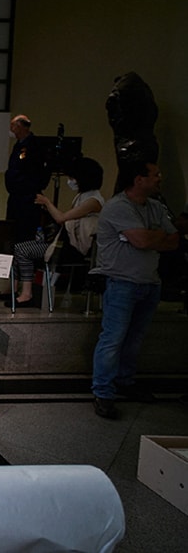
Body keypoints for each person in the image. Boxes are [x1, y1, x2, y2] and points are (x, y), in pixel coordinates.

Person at [90, 160, 178, 419]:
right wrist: (153, 236)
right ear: (138, 179)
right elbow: (142, 241)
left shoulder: (155, 207)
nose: (160, 177)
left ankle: (125, 381)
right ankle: (103, 391)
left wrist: (152, 237)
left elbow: (173, 241)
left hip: (149, 282)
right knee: (113, 338)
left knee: (135, 338)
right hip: (121, 282)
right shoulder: (118, 207)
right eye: (155, 174)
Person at [8, 157, 105, 307]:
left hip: (77, 249)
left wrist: (47, 202)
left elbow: (61, 218)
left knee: (23, 250)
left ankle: (26, 294)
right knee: (17, 248)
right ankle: (14, 290)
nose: (71, 181)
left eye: (73, 177)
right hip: (65, 244)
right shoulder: (81, 196)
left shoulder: (93, 201)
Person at [5, 114, 51, 243]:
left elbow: (37, 171)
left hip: (27, 197)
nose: (11, 129)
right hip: (15, 196)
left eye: (13, 125)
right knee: (13, 232)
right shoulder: (18, 146)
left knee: (25, 233)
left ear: (20, 126)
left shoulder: (34, 146)